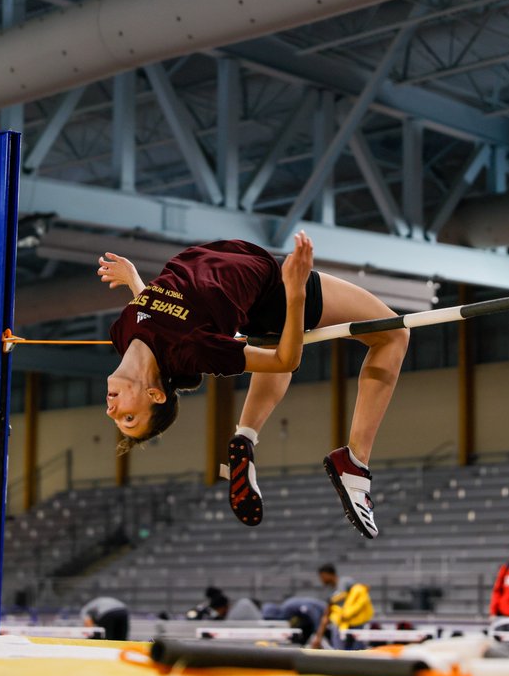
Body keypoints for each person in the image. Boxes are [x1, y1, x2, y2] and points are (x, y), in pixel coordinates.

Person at [98, 233, 408, 539]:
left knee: (273, 337)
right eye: (128, 418)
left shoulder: (123, 333)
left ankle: (244, 437)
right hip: (272, 289)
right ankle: (355, 463)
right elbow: (284, 361)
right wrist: (296, 290)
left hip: (244, 283)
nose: (112, 411)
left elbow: (155, 314)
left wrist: (134, 280)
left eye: (119, 420)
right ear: (155, 394)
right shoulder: (193, 350)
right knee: (394, 334)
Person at [309, 563, 374, 650]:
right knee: (343, 648)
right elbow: (327, 613)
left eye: (322, 576)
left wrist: (331, 601)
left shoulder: (345, 582)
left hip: (356, 621)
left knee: (357, 649)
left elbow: (357, 593)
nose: (321, 579)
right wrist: (318, 637)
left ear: (327, 574)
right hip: (343, 623)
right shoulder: (331, 591)